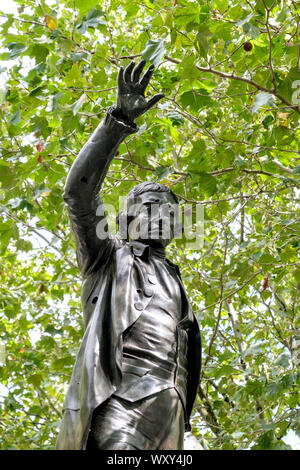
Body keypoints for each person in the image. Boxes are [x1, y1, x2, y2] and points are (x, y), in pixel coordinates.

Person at [55, 60, 201, 450]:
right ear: (126, 218)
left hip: (170, 414)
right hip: (119, 402)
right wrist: (118, 121)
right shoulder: (108, 260)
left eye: (170, 211)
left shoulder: (176, 280)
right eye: (150, 207)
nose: (161, 216)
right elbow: (77, 193)